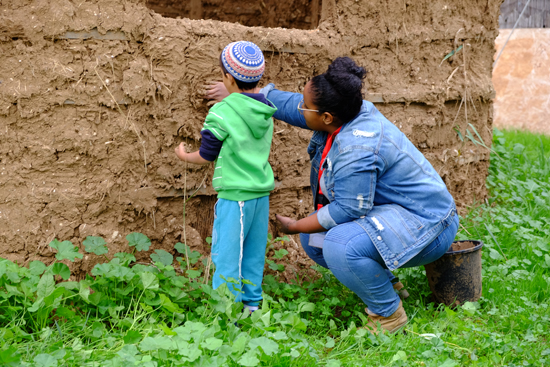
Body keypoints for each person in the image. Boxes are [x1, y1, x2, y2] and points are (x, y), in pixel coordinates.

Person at [206, 56, 459, 333]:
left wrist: (295, 225)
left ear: (326, 117)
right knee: (315, 238)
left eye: (306, 107)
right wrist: (241, 95)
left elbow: (347, 210)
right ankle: (384, 281)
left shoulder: (357, 147)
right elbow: (289, 104)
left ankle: (388, 313)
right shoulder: (344, 111)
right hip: (393, 214)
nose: (300, 108)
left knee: (337, 242)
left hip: (429, 225)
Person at [175, 41, 277, 313]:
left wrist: (185, 156)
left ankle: (225, 313)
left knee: (227, 256)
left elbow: (207, 154)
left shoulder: (221, 112)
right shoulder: (266, 108)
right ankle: (252, 307)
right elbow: (248, 101)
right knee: (254, 255)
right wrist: (232, 95)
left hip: (236, 198)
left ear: (228, 78)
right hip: (260, 197)